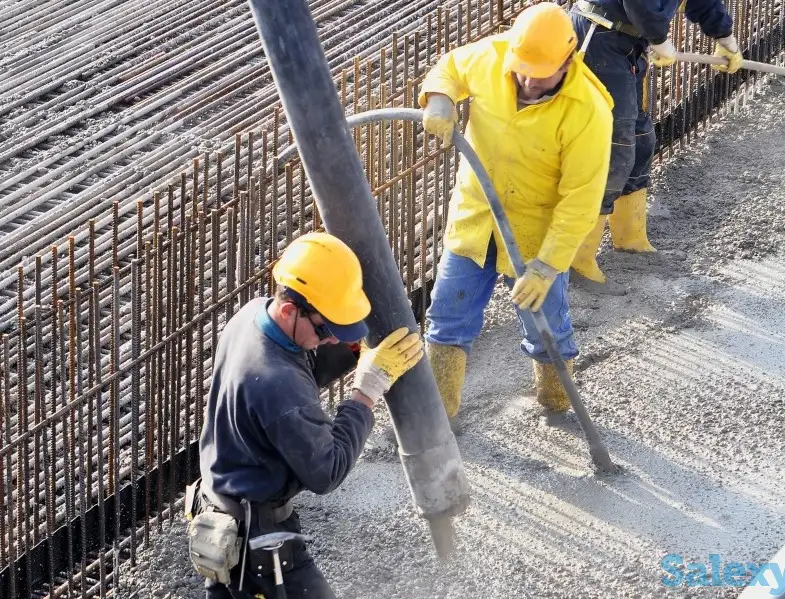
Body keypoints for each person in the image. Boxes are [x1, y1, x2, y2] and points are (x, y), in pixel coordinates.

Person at [187, 231, 423, 598]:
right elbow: (327, 471)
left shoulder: (252, 315)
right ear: (289, 311)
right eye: (327, 329)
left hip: (220, 509)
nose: (333, 338)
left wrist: (352, 351)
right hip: (257, 540)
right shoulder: (278, 386)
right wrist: (366, 392)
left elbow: (297, 369)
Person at [418, 2, 613, 426]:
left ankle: (555, 398)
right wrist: (440, 99)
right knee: (447, 318)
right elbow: (450, 68)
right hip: (475, 220)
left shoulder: (587, 111)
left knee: (546, 326)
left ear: (567, 61)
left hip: (536, 238)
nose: (526, 81)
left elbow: (580, 200)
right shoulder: (494, 56)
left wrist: (546, 267)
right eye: (521, 69)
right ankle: (438, 419)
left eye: (539, 74)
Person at [569, 0, 744, 285]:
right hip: (599, 33)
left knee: (640, 140)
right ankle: (577, 259)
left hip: (628, 38)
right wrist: (659, 38)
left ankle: (630, 238)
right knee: (614, 149)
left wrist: (725, 37)